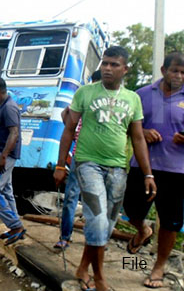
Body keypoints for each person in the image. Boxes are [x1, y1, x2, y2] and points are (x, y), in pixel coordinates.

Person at [54, 46, 154, 291]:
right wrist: (60, 164)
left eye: (114, 65)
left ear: (125, 69)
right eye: (105, 64)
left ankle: (82, 267)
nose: (108, 68)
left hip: (119, 168)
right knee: (97, 220)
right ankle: (99, 277)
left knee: (106, 225)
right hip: (87, 163)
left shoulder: (133, 99)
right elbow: (68, 128)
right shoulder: (85, 93)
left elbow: (138, 138)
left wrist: (148, 173)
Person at [123, 52, 184, 289]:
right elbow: (126, 126)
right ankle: (143, 230)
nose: (179, 76)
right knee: (130, 209)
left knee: (171, 222)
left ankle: (158, 267)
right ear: (163, 70)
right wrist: (142, 132)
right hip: (142, 167)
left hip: (176, 171)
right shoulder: (141, 95)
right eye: (175, 70)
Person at [54, 70, 102, 250]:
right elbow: (65, 114)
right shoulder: (84, 97)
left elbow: (64, 114)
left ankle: (78, 239)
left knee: (80, 198)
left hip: (96, 158)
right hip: (80, 155)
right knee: (73, 198)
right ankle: (66, 237)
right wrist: (72, 132)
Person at [0, 77, 25, 245]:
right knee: (6, 190)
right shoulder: (4, 105)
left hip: (3, 156)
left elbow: (14, 133)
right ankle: (15, 227)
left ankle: (16, 226)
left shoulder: (9, 107)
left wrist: (2, 157)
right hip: (1, 154)